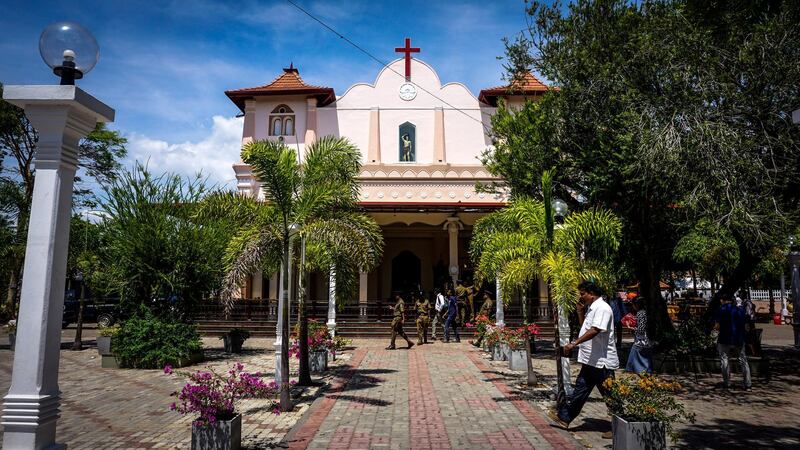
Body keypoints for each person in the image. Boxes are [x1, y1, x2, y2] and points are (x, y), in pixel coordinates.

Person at [549, 281, 618, 436]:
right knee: (580, 390)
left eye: (583, 293)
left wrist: (574, 343)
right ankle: (565, 418)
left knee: (610, 395)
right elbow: (585, 328)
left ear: (591, 293)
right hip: (590, 360)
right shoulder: (592, 309)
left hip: (602, 362)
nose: (581, 297)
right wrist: (580, 312)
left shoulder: (602, 308)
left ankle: (619, 428)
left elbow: (595, 330)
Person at [715, 293, 751, 391]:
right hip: (738, 338)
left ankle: (727, 383)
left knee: (725, 360)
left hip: (724, 338)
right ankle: (747, 384)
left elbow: (717, 326)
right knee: (743, 360)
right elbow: (746, 327)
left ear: (723, 300)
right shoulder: (740, 310)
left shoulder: (721, 310)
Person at [625, 297, 652, 374]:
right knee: (645, 363)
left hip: (641, 341)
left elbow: (641, 329)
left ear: (636, 305)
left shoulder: (640, 313)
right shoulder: (646, 312)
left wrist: (632, 328)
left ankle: (646, 380)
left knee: (635, 363)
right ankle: (646, 380)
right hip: (647, 341)